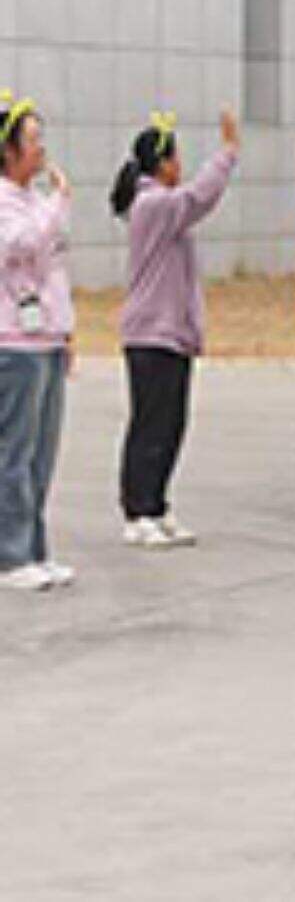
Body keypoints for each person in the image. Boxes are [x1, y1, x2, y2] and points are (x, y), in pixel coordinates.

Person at [111, 108, 240, 548]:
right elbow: (198, 197)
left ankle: (158, 505)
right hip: (150, 333)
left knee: (172, 424)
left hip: (173, 334)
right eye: (175, 158)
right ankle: (137, 510)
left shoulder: (166, 210)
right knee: (150, 423)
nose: (180, 165)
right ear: (161, 163)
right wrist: (226, 153)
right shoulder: (152, 205)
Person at [0, 92, 75, 592]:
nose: (41, 150)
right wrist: (59, 203)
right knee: (15, 452)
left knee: (43, 453)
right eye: (31, 140)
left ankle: (35, 547)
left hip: (45, 337)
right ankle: (10, 553)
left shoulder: (35, 200)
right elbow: (20, 246)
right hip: (13, 342)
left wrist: (66, 329)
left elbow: (55, 268)